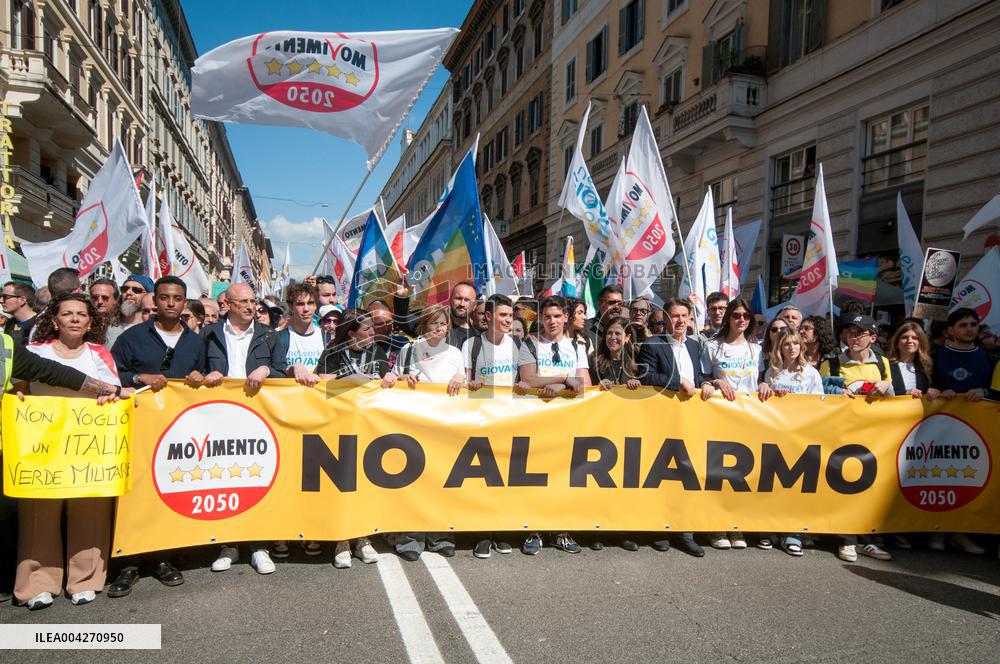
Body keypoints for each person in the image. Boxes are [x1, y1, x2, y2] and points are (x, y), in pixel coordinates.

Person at [14, 293, 125, 609]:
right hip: (41, 449)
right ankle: (37, 584)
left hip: (88, 448)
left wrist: (108, 398)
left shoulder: (100, 354)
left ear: (91, 323)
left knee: (89, 511)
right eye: (67, 313)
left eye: (81, 314)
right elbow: (18, 388)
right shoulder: (34, 352)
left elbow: (112, 392)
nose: (75, 318)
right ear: (54, 320)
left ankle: (84, 580)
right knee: (39, 514)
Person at [107, 276, 206, 597]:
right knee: (134, 493)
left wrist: (199, 378)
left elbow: (206, 379)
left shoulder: (195, 342)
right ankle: (129, 562)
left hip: (177, 433)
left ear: (184, 302)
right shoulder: (132, 338)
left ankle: (162, 557)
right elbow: (110, 375)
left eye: (177, 298)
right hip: (137, 428)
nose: (170, 303)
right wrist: (137, 377)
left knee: (167, 490)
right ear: (155, 300)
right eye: (164, 297)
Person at [201, 283, 288, 575]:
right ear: (227, 304)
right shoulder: (208, 335)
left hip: (257, 420)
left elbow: (281, 370)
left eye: (253, 301)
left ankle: (258, 545)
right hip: (218, 420)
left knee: (255, 480)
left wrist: (267, 370)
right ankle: (228, 545)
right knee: (224, 482)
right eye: (244, 302)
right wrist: (205, 375)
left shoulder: (269, 337)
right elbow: (192, 372)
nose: (251, 307)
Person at [390, 306, 466, 561]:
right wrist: (401, 379)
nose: (438, 328)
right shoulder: (408, 350)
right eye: (433, 323)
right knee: (413, 481)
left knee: (442, 481)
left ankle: (441, 535)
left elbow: (463, 381)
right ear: (423, 325)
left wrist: (459, 376)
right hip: (413, 423)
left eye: (443, 323)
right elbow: (393, 380)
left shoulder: (456, 353)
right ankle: (410, 537)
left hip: (444, 425)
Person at [516, 296, 588, 556]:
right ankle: (533, 529)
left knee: (563, 478)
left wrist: (560, 386)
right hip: (535, 419)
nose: (552, 321)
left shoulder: (578, 346)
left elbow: (583, 384)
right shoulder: (530, 344)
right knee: (534, 476)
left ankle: (561, 531)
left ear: (566, 318)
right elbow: (529, 379)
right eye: (547, 317)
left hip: (568, 421)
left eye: (557, 316)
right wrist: (564, 378)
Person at [819, 314, 894, 562]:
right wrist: (835, 391)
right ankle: (846, 540)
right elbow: (818, 397)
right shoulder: (831, 363)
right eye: (849, 332)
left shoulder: (882, 364)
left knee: (869, 488)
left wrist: (886, 387)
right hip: (841, 435)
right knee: (843, 486)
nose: (853, 337)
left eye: (859, 333)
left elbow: (894, 401)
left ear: (872, 338)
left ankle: (867, 540)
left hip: (874, 435)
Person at [924, 308, 993, 556]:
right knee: (939, 477)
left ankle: (960, 533)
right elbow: (923, 386)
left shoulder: (988, 359)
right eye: (963, 325)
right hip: (938, 430)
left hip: (976, 433)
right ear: (950, 330)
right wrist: (932, 391)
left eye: (973, 324)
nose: (969, 329)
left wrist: (984, 393)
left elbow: (995, 390)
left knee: (969, 480)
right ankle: (937, 531)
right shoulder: (935, 357)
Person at [699, 298, 765, 551]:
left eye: (746, 316)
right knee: (717, 473)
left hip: (748, 420)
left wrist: (764, 384)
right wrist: (715, 383)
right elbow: (703, 376)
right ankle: (716, 527)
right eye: (736, 315)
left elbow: (760, 379)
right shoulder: (713, 346)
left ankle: (737, 525)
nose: (741, 320)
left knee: (742, 475)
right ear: (728, 317)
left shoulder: (756, 349)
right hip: (719, 418)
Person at [462, 294, 519, 559]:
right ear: (488, 317)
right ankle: (482, 534)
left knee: (507, 480)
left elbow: (526, 381)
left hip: (510, 419)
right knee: (482, 481)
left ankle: (502, 531)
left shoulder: (519, 344)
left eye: (510, 315)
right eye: (503, 315)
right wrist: (469, 387)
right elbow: (466, 381)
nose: (508, 320)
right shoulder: (471, 344)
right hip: (481, 418)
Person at [760, 328, 824, 556]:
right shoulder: (772, 372)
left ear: (801, 346)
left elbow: (819, 405)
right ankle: (769, 530)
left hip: (802, 438)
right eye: (786, 344)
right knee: (774, 486)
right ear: (780, 348)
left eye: (795, 343)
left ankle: (792, 533)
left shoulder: (811, 373)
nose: (791, 348)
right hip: (776, 437)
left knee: (795, 489)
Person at [887, 322, 933, 398]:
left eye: (915, 338)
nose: (909, 341)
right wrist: (905, 393)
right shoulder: (886, 365)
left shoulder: (927, 367)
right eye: (904, 337)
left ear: (920, 343)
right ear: (897, 343)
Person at [106, 274, 154, 346]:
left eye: (136, 290)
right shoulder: (107, 324)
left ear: (148, 295)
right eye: (124, 289)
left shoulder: (152, 328)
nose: (128, 292)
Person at [368, 300, 410, 371]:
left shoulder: (402, 344)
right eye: (380, 324)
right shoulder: (361, 347)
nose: (386, 328)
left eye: (389, 322)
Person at [567, 297, 593, 367]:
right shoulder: (553, 338)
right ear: (568, 314)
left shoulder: (586, 341)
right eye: (579, 313)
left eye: (584, 313)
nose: (584, 317)